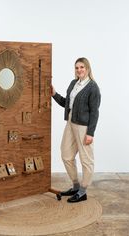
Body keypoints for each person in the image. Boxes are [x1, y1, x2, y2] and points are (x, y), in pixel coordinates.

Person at [51, 57, 101, 203]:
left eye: (82, 67)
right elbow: (67, 103)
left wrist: (90, 133)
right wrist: (54, 94)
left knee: (86, 159)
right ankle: (75, 186)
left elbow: (95, 112)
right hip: (71, 122)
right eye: (77, 67)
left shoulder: (93, 87)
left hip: (84, 126)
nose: (79, 70)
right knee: (66, 154)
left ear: (87, 69)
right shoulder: (74, 83)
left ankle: (83, 191)